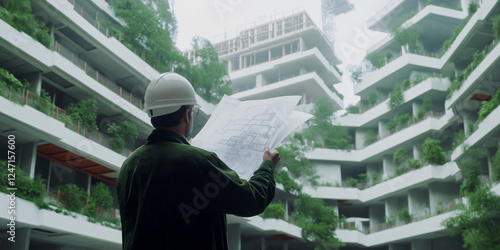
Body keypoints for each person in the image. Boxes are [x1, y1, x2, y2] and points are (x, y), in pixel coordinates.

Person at [116, 72, 280, 250]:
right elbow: (252, 200)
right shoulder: (198, 161)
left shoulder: (129, 166)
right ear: (187, 114)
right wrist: (267, 166)